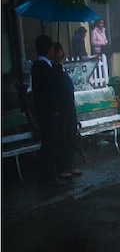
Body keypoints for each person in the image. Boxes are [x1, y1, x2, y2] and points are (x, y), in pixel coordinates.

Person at [31, 34, 63, 186]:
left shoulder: (37, 66)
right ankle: (49, 176)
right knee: (51, 144)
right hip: (48, 112)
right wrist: (55, 108)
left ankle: (47, 175)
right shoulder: (44, 68)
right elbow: (49, 92)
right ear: (49, 49)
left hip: (42, 112)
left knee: (49, 143)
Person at [52, 41, 81, 179]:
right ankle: (62, 167)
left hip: (70, 106)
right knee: (62, 138)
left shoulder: (61, 69)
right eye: (58, 51)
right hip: (62, 108)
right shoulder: (53, 70)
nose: (61, 54)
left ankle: (70, 164)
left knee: (71, 136)